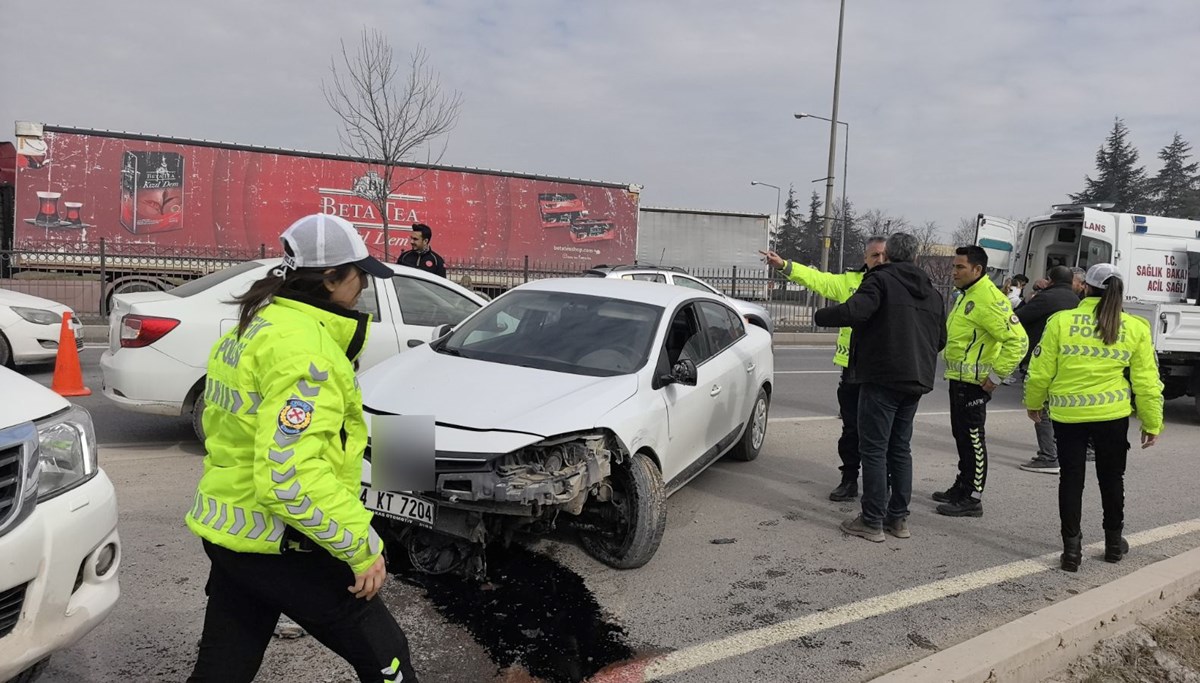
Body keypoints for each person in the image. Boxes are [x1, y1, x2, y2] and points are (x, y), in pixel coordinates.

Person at [187, 214, 420, 683]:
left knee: (223, 670)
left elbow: (225, 430)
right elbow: (287, 476)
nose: (364, 288)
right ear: (332, 278)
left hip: (233, 534)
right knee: (388, 656)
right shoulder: (307, 351)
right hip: (286, 544)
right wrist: (362, 545)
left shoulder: (258, 324)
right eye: (360, 275)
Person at [1023, 263, 1163, 572]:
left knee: (1071, 479)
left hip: (1068, 415)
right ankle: (1114, 544)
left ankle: (1071, 551)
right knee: (1112, 478)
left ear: (1084, 287)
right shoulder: (1135, 327)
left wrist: (1034, 403)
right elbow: (1146, 382)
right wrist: (1152, 423)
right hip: (1112, 416)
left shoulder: (1061, 321)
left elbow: (1040, 371)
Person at [813, 233, 946, 543]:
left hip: (881, 377)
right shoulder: (932, 292)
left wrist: (821, 316)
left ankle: (872, 520)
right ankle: (898, 520)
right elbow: (940, 339)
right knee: (900, 449)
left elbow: (853, 312)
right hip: (915, 381)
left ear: (888, 256)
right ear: (915, 257)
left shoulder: (879, 280)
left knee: (873, 449)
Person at [760, 237, 888, 502]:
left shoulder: (896, 285)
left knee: (881, 432)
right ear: (865, 258)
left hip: (881, 372)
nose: (880, 260)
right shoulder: (850, 282)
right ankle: (849, 480)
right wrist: (784, 265)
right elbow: (817, 279)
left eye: (884, 255)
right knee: (851, 430)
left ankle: (881, 485)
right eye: (875, 255)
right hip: (852, 371)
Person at [935, 246, 1028, 518]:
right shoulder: (968, 295)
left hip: (975, 383)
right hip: (959, 379)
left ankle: (973, 497)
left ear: (977, 269)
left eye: (959, 267)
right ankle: (962, 487)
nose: (954, 272)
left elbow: (1019, 341)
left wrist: (995, 378)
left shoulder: (987, 298)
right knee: (962, 437)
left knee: (973, 439)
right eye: (954, 267)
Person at [1015, 266, 1084, 474]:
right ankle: (1062, 450)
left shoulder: (1046, 298)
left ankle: (1048, 456)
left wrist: (1030, 298)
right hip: (1068, 359)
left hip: (1043, 356)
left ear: (1050, 280)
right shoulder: (1076, 301)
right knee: (1059, 407)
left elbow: (1018, 318)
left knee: (1041, 407)